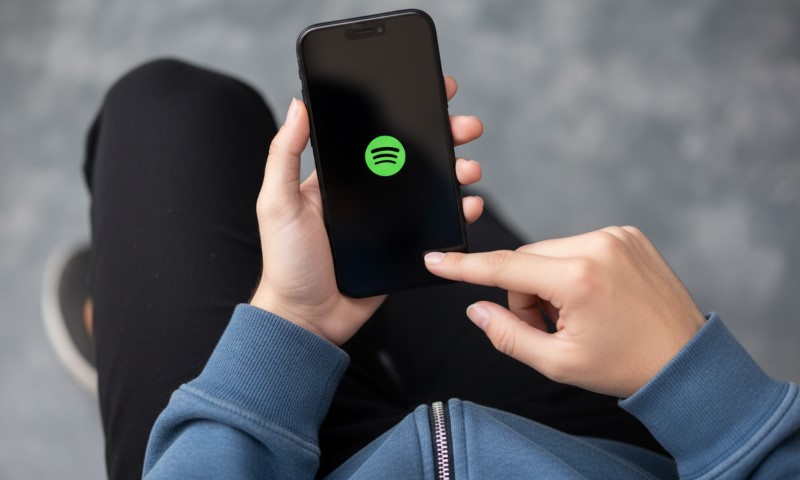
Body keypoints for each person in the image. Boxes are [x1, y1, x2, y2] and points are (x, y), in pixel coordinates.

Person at [68, 59, 797, 479]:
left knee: (163, 104)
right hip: (603, 457)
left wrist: (289, 327)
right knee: (420, 201)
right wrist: (713, 401)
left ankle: (133, 332)